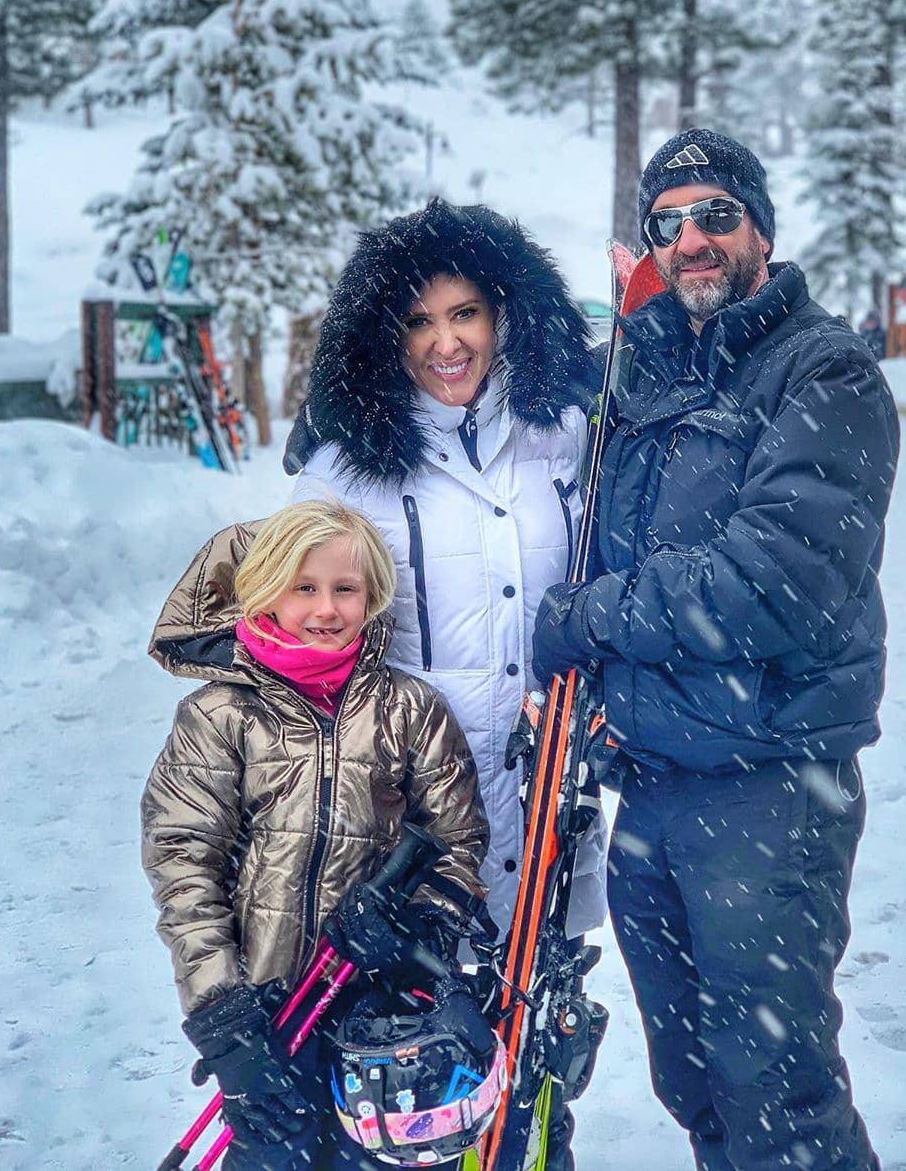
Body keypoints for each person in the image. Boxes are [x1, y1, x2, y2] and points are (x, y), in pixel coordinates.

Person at [533, 129, 899, 1171]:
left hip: (768, 788)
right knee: (694, 1084)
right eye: (669, 222)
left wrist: (590, 615)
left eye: (715, 215)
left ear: (760, 231)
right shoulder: (645, 372)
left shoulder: (824, 371)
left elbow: (774, 579)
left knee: (776, 1095)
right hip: (652, 786)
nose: (692, 238)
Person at [284, 197, 607, 1169]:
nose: (446, 342)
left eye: (465, 312)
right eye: (419, 321)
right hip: (414, 843)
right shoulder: (343, 469)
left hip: (545, 816)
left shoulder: (566, 435)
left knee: (531, 1085)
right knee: (423, 1100)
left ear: (505, 311)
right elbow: (296, 652)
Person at [141, 500, 489, 1170]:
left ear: (373, 596)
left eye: (345, 589)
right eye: (304, 587)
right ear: (265, 590)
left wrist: (414, 933)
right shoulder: (219, 716)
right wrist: (225, 1023)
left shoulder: (409, 709)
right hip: (267, 1014)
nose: (326, 609)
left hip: (383, 1017)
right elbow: (184, 866)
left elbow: (458, 840)